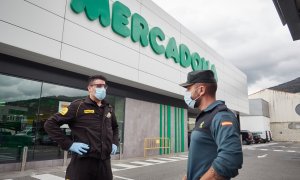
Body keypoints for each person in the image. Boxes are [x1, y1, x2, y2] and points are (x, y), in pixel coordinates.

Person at [44, 75, 119, 180]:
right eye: (98, 86)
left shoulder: (109, 108)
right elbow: (50, 124)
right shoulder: (78, 106)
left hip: (105, 164)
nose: (102, 89)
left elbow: (115, 127)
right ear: (89, 88)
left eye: (104, 86)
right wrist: (69, 144)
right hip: (83, 163)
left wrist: (115, 142)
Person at [180, 70, 243, 180]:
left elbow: (230, 159)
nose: (186, 92)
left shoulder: (221, 116)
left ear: (201, 90)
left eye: (188, 89)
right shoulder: (204, 116)